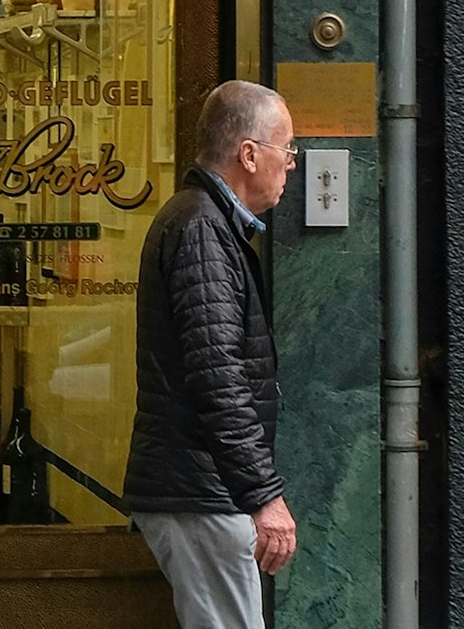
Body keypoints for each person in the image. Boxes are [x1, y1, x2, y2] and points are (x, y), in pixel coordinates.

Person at [123, 80, 300, 629]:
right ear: (249, 154)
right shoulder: (202, 228)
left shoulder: (207, 224)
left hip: (203, 487)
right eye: (286, 150)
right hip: (201, 491)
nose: (292, 165)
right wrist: (263, 496)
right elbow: (218, 375)